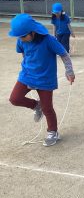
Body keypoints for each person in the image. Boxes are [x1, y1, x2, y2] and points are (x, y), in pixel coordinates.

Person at [8, 14, 75, 147]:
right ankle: (36, 105)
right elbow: (23, 54)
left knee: (47, 108)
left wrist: (69, 71)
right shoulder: (21, 40)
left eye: (23, 36)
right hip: (27, 75)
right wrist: (28, 67)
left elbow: (64, 54)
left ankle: (53, 132)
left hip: (45, 78)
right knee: (14, 99)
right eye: (19, 37)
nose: (21, 39)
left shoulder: (48, 40)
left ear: (32, 31)